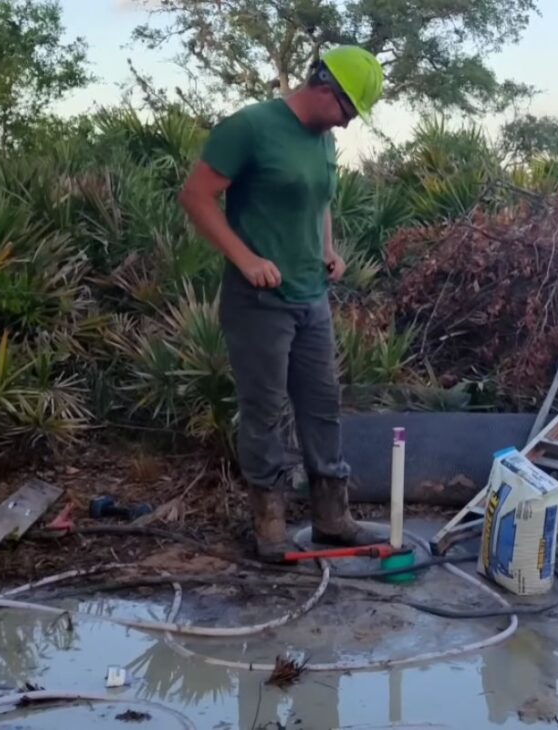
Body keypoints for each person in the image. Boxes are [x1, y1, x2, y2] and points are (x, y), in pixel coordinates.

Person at [178, 45, 385, 560]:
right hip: (259, 302)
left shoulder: (320, 141)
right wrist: (246, 259)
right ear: (323, 87)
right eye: (347, 112)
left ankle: (331, 519)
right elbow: (196, 196)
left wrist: (329, 249)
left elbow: (320, 200)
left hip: (311, 297)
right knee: (265, 411)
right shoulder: (250, 127)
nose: (345, 126)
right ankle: (269, 525)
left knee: (322, 407)